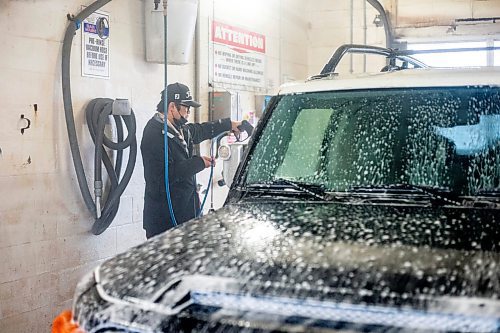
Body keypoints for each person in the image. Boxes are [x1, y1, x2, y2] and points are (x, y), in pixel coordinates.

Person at [141, 82, 241, 239]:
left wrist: (229, 124)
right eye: (185, 108)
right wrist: (199, 163)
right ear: (172, 107)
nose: (188, 112)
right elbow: (163, 176)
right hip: (165, 219)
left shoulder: (179, 129)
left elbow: (201, 130)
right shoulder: (154, 134)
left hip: (186, 215)